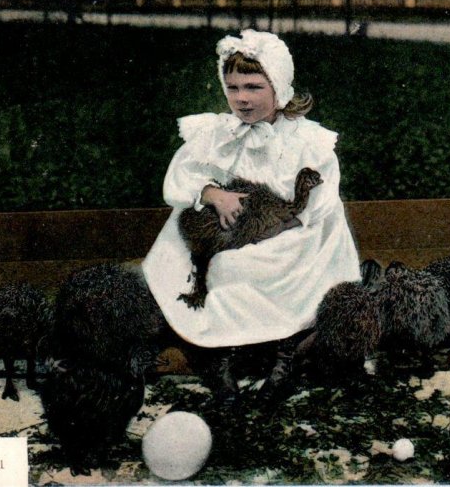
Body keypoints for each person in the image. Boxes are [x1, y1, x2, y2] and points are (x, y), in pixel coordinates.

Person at [142, 29, 361, 394]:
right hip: (233, 226)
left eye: (253, 87)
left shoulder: (306, 141)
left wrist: (263, 227)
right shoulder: (220, 132)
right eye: (233, 88)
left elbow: (320, 205)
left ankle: (282, 354)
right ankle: (216, 353)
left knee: (242, 264)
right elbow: (179, 179)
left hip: (293, 233)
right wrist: (212, 193)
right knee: (191, 249)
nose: (241, 99)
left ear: (280, 87)